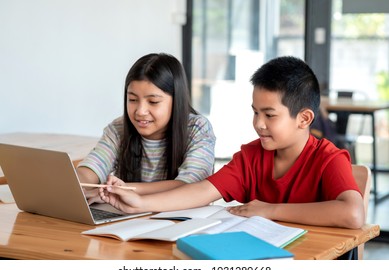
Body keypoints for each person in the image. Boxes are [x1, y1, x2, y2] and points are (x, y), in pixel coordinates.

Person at [99, 56, 365, 229]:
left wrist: (269, 210)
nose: (258, 123)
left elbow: (352, 214)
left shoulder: (329, 158)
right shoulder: (251, 156)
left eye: (269, 115)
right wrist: (140, 203)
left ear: (304, 118)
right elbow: (201, 191)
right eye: (255, 112)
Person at [77, 53, 216, 204]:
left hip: (181, 219)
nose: (140, 111)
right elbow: (93, 168)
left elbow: (190, 186)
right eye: (132, 100)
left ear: (176, 101)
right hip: (129, 219)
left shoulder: (198, 129)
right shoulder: (118, 129)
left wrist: (121, 190)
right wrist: (77, 182)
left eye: (153, 101)